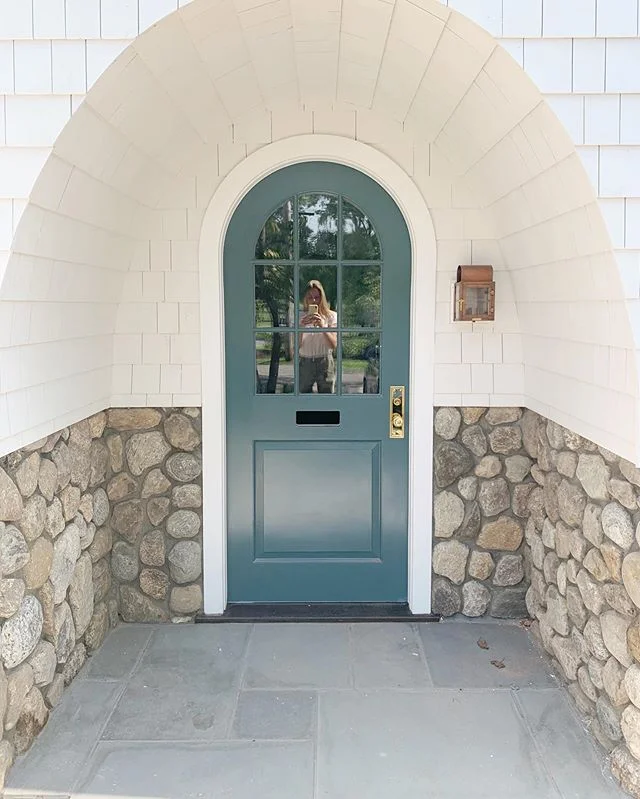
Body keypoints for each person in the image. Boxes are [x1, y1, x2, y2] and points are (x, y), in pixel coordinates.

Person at [299, 279, 337, 393]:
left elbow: (333, 344)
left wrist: (323, 326)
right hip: (305, 361)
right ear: (305, 299)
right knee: (303, 400)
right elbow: (296, 346)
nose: (314, 301)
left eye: (317, 297)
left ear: (322, 298)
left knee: (327, 400)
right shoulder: (300, 316)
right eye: (310, 297)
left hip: (324, 362)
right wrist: (300, 327)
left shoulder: (331, 316)